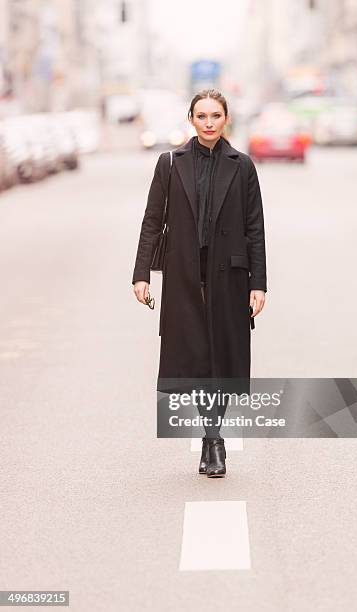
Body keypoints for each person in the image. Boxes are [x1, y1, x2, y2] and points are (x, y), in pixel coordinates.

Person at [132, 89, 267, 478]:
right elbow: (152, 221)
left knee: (222, 362)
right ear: (191, 119)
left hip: (230, 277)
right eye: (202, 116)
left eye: (216, 116)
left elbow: (254, 229)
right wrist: (141, 274)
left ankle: (213, 438)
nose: (209, 123)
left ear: (226, 120)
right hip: (185, 278)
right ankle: (212, 435)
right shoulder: (170, 163)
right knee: (195, 360)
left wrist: (258, 283)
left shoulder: (242, 166)